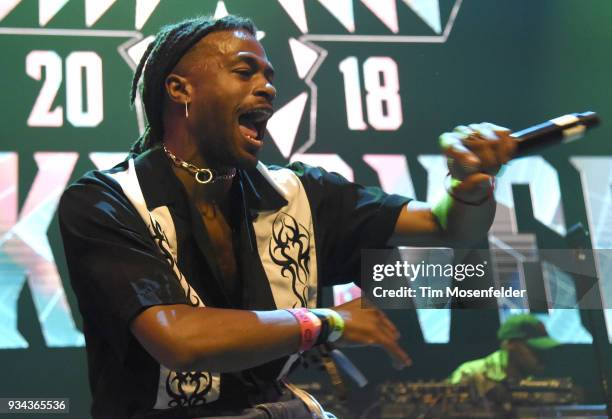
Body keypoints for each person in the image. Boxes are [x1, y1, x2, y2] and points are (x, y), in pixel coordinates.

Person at [58, 15, 516, 419]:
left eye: (269, 75)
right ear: (180, 89)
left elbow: (445, 228)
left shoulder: (300, 193)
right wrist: (325, 323)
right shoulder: (107, 201)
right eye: (244, 71)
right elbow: (178, 340)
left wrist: (467, 188)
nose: (268, 86)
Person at [449, 313, 560, 393]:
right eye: (533, 349)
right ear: (510, 344)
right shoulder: (469, 372)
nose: (541, 356)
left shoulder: (543, 379)